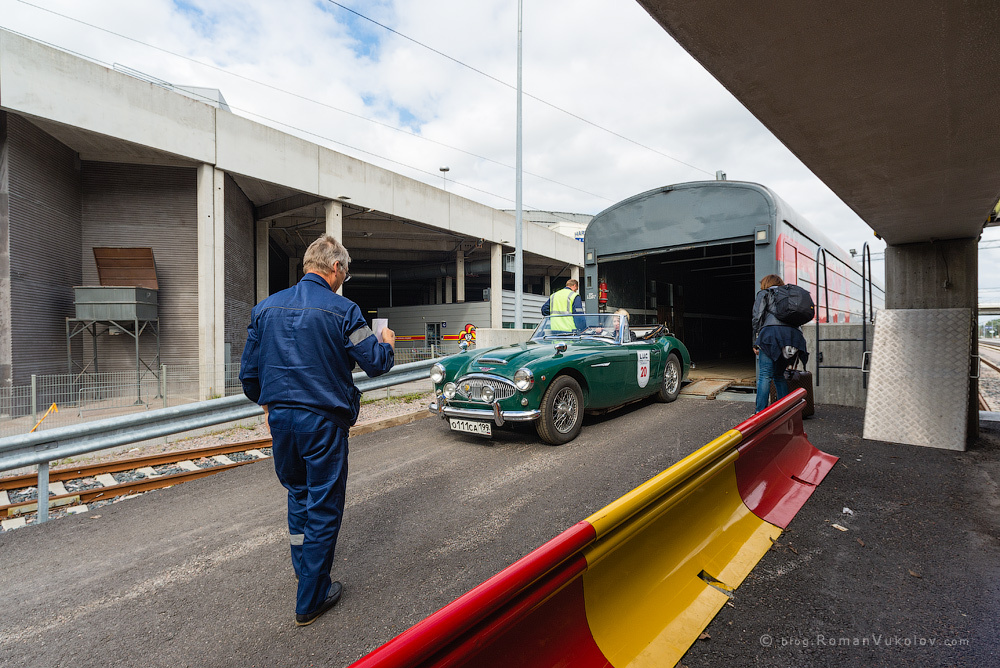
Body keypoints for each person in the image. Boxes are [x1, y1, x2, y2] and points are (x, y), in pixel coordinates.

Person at [239, 234, 395, 626]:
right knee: (324, 504)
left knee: (299, 494)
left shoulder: (264, 310)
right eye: (346, 271)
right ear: (336, 268)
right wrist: (387, 342)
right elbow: (375, 362)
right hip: (322, 421)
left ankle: (304, 569)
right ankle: (311, 598)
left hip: (282, 421)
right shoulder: (345, 311)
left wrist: (270, 404)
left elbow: (249, 377)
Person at [752, 274, 808, 413]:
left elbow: (757, 316)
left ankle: (760, 412)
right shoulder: (789, 297)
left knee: (765, 374)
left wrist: (755, 341)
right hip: (792, 337)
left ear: (766, 283)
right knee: (779, 374)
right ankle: (785, 411)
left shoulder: (765, 293)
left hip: (771, 335)